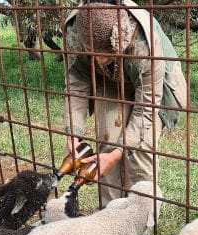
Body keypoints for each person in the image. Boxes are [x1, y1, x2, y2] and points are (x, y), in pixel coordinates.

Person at [62, 0, 186, 207]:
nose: (100, 60)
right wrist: (73, 135)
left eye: (105, 53)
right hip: (109, 81)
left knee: (141, 151)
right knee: (107, 141)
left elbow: (146, 109)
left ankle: (142, 228)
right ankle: (110, 218)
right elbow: (77, 86)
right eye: (93, 53)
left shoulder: (144, 46)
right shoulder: (76, 32)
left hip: (150, 85)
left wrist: (119, 154)